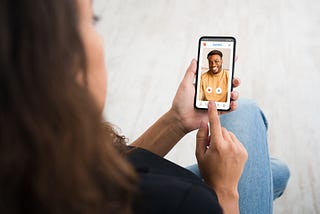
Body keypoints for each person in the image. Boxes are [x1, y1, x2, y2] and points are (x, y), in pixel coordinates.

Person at [0, 0, 290, 214]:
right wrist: (225, 192)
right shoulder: (186, 203)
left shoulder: (37, 161)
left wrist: (177, 121)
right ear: (59, 61)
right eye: (93, 20)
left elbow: (113, 168)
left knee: (274, 170)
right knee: (248, 117)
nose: (100, 38)